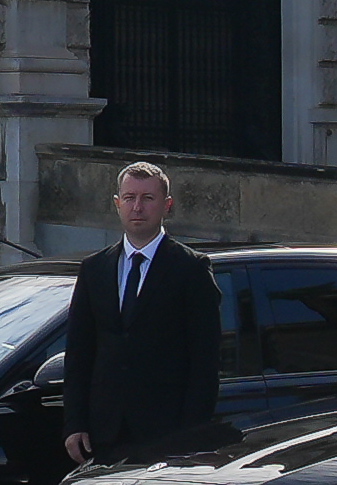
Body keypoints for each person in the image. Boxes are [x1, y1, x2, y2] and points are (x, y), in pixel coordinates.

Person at [60, 160, 227, 468]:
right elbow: (79, 352)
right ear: (117, 204)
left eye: (147, 198)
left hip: (167, 432)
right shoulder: (95, 269)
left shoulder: (191, 269)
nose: (137, 207)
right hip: (105, 432)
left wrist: (191, 433)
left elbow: (205, 359)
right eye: (129, 198)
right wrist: (75, 422)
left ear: (167, 205)